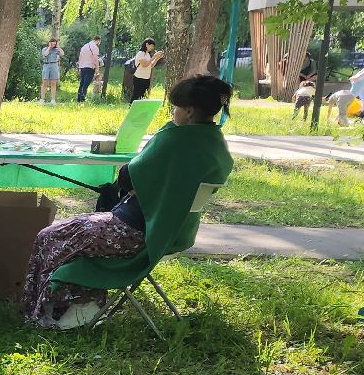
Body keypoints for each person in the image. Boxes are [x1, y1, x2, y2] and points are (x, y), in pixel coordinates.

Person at [20, 74, 234, 329]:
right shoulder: (216, 144)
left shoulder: (175, 139)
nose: (173, 113)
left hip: (135, 232)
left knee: (50, 235)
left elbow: (128, 176)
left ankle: (51, 311)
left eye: (176, 107)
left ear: (188, 111)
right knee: (71, 231)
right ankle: (73, 306)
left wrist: (162, 140)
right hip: (174, 233)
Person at [76, 35, 103, 102]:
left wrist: (79, 68)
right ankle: (82, 99)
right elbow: (95, 58)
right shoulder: (95, 47)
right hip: (90, 67)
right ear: (98, 41)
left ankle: (79, 99)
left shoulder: (84, 46)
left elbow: (80, 58)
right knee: (86, 85)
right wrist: (97, 69)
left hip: (82, 67)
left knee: (81, 84)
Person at [39, 37, 63, 103]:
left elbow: (62, 53)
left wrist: (58, 47)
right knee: (44, 82)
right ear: (49, 43)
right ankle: (42, 99)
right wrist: (49, 47)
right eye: (52, 44)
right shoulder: (45, 49)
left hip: (54, 65)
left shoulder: (56, 50)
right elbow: (45, 54)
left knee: (53, 83)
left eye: (54, 44)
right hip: (46, 65)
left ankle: (53, 99)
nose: (53, 45)